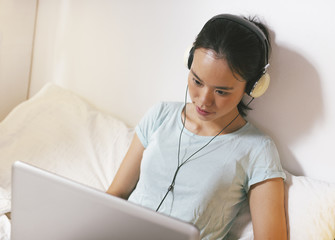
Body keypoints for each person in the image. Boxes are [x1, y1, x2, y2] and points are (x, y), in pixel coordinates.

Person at [107, 13, 287, 240]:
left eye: (221, 91)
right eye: (197, 81)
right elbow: (115, 194)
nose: (203, 100)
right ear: (189, 62)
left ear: (253, 87)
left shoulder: (258, 150)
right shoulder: (160, 115)